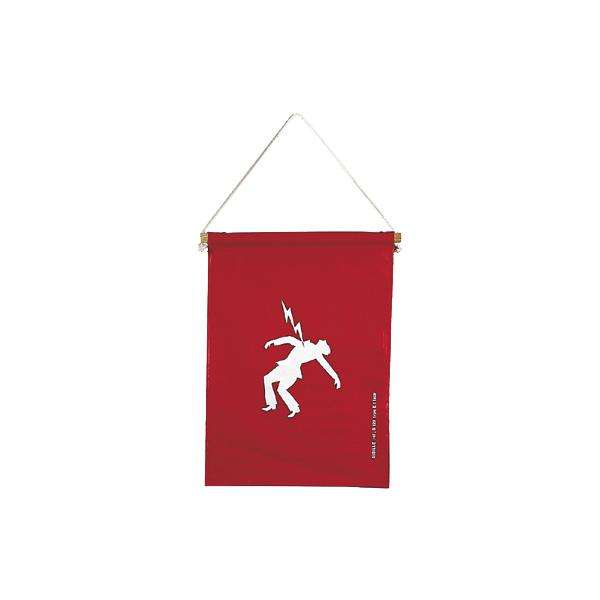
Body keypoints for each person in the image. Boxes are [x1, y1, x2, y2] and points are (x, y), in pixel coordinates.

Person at [262, 336, 341, 418]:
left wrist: (336, 377)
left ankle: (294, 409)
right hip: (284, 366)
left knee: (281, 389)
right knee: (267, 379)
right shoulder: (305, 344)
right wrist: (273, 342)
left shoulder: (316, 353)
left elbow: (326, 366)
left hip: (292, 372)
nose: (320, 342)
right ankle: (272, 404)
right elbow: (289, 339)